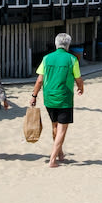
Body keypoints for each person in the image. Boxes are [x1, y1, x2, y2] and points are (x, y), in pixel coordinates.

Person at [31, 32, 84, 168]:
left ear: (56, 44)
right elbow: (78, 78)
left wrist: (34, 96)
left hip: (49, 98)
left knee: (55, 126)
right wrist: (80, 88)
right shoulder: (72, 59)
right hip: (64, 98)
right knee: (62, 129)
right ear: (68, 45)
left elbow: (39, 80)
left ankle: (60, 154)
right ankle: (52, 160)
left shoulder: (47, 58)